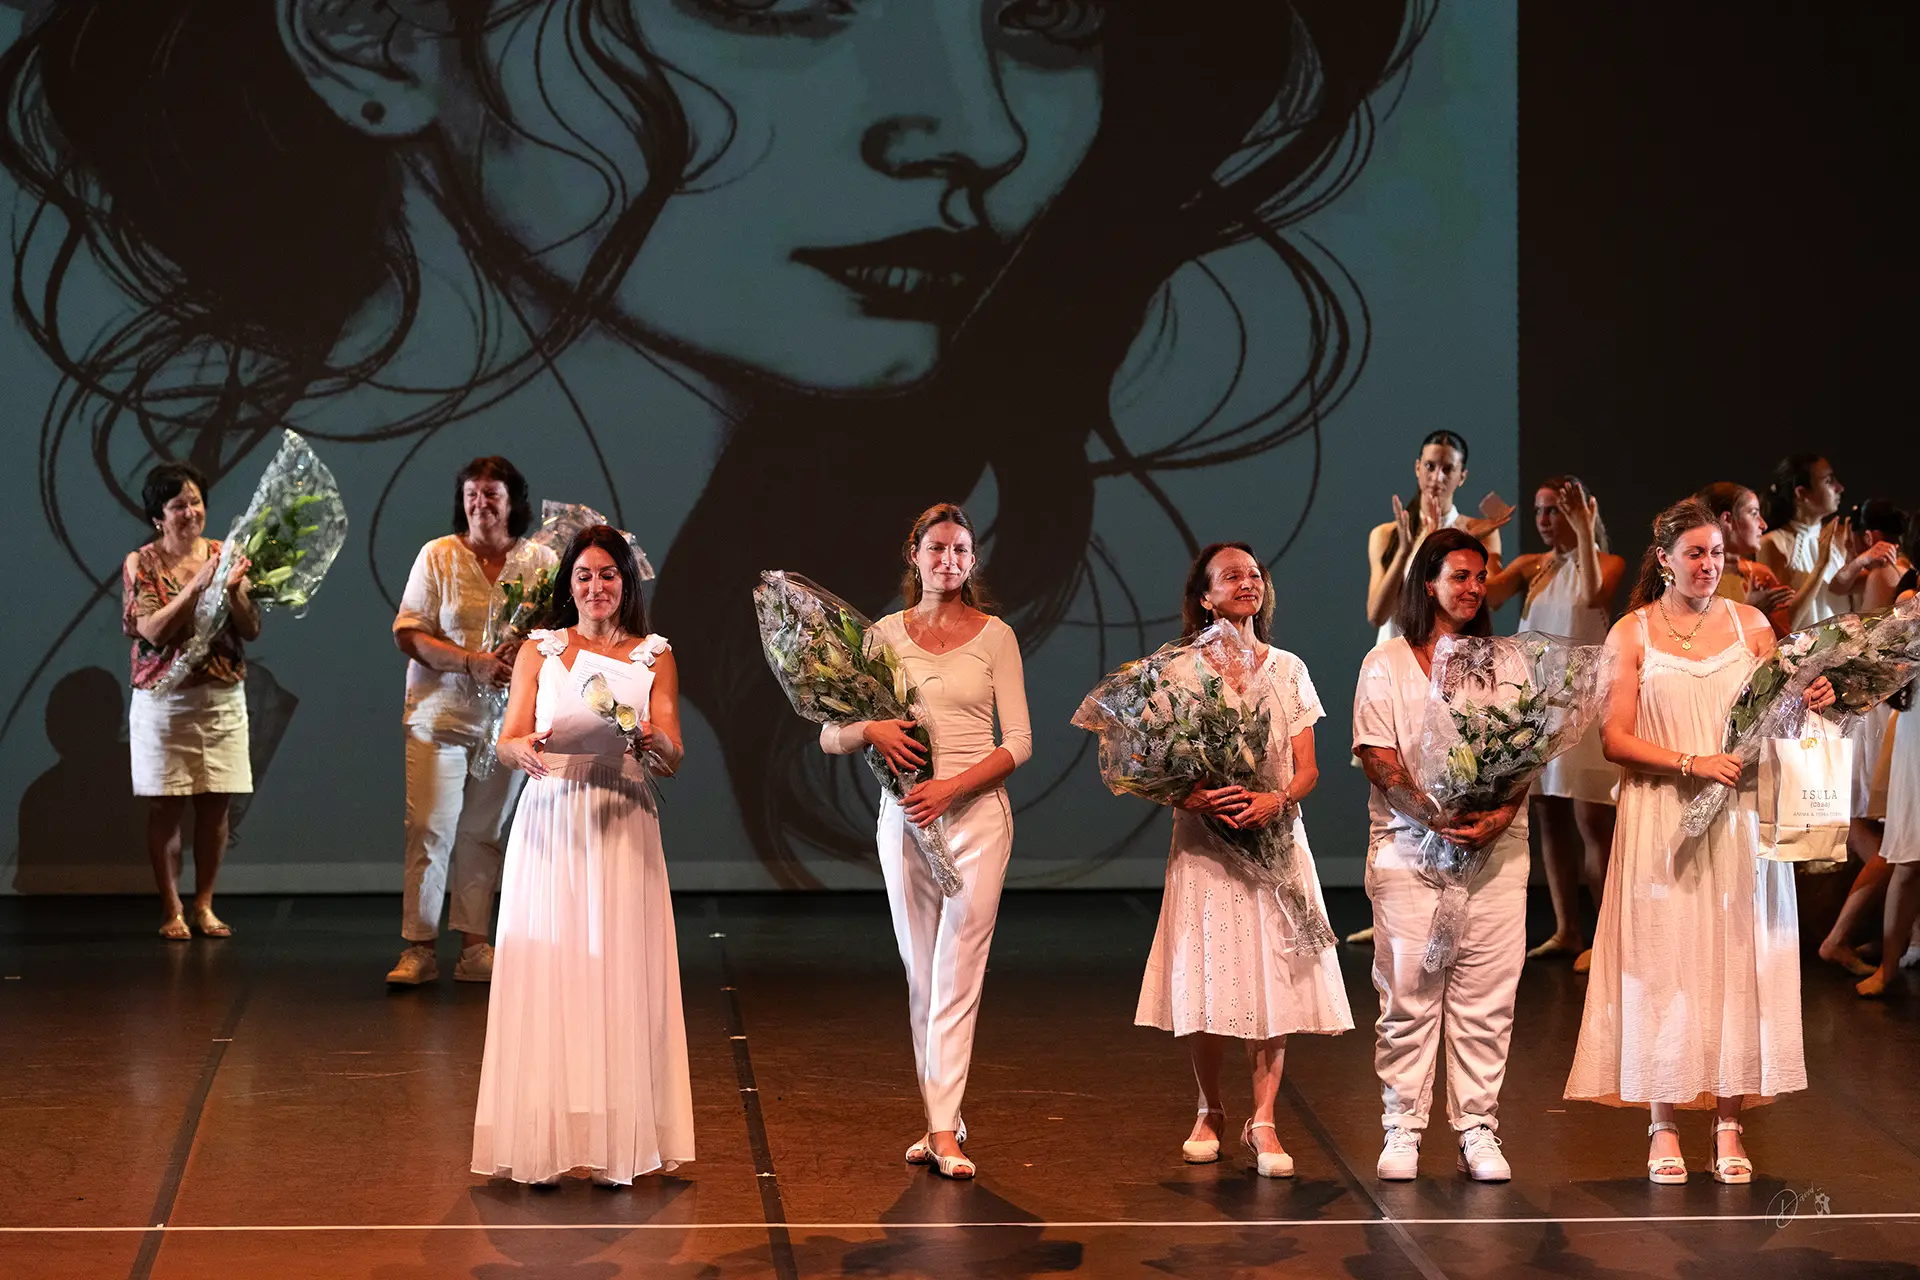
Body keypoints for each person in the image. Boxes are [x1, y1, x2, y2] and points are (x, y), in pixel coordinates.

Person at [3, 1, 1428, 896]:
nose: (977, 129)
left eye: (1042, 17)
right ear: (375, 38)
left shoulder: (697, 563)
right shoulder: (307, 596)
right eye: (775, 7)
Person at [1565, 499, 1835, 1184]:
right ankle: (1661, 1121)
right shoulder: (1631, 632)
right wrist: (1691, 763)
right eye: (1695, 553)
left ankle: (1727, 1121)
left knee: (1736, 961)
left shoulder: (1753, 626)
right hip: (1661, 817)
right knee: (1663, 961)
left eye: (1716, 553)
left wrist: (1815, 698)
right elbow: (1615, 738)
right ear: (1664, 559)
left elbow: (1780, 715)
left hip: (1739, 818)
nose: (1709, 565)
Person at [472, 525, 691, 1186]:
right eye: (585, 576)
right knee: (553, 969)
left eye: (608, 575)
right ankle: (544, 1141)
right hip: (553, 813)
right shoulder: (540, 649)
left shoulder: (654, 654)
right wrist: (523, 749)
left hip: (622, 817)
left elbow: (673, 755)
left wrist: (649, 737)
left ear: (627, 582)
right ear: (569, 585)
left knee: (617, 971)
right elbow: (508, 739)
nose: (597, 587)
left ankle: (615, 1145)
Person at [819, 504, 1031, 1180]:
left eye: (960, 550)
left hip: (978, 818)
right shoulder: (882, 636)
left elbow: (1019, 742)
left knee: (957, 970)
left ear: (972, 560)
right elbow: (829, 733)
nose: (949, 561)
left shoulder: (996, 636)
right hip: (906, 818)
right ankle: (943, 1116)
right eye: (937, 548)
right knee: (922, 974)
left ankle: (943, 1130)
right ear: (914, 555)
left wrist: (953, 788)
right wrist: (871, 731)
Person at [1135, 544, 1352, 1178]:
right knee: (1208, 976)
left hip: (1274, 842)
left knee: (1271, 978)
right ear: (1204, 597)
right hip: (1205, 846)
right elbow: (1145, 762)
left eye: (1254, 574)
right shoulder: (1176, 671)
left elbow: (1307, 769)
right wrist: (1189, 795)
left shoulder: (1288, 669)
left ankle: (1264, 1120)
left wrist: (1275, 799)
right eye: (1231, 576)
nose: (1247, 582)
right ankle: (1209, 1109)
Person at [1353, 529, 1529, 1183]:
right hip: (1410, 848)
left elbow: (1526, 752)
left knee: (1488, 997)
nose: (1475, 588)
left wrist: (1500, 814)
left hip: (1495, 851)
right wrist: (1435, 815)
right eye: (1460, 576)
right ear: (1428, 583)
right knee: (1408, 992)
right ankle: (1402, 1125)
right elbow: (1378, 757)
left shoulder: (1506, 662)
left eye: (1481, 577)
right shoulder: (1386, 662)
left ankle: (1477, 1127)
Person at [387, 457, 557, 987]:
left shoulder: (541, 561)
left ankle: (475, 947)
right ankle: (418, 948)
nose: (480, 504)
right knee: (429, 827)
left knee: (483, 833)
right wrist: (470, 662)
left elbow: (559, 637)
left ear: (513, 501)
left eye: (491, 494)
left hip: (507, 723)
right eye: (472, 495)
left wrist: (524, 653)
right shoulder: (438, 555)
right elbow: (408, 633)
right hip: (439, 716)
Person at [1487, 477, 1626, 970]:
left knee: (1593, 820)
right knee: (1548, 815)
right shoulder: (1533, 565)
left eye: (1556, 510)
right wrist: (1486, 540)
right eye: (1540, 511)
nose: (1545, 520)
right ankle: (1568, 930)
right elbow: (1488, 594)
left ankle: (1609, 937)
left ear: (1582, 512)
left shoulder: (1608, 562)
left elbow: (1592, 595)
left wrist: (1585, 531)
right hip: (1540, 706)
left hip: (1585, 703)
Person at [122, 462, 260, 940]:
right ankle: (171, 909)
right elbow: (152, 631)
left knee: (216, 804)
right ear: (158, 516)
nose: (190, 512)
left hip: (220, 696)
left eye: (195, 501)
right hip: (164, 701)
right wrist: (196, 586)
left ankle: (204, 905)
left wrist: (233, 589)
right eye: (177, 505)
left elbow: (251, 629)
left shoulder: (226, 554)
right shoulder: (142, 562)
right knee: (166, 807)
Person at [1813, 501, 1911, 975]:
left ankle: (1850, 936)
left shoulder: (1885, 573)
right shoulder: (1890, 568)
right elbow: (1836, 585)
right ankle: (1900, 932)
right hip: (1879, 704)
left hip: (1873, 705)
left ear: (1869, 534)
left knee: (1874, 823)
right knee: (1871, 822)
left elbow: (1868, 648)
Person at [1364, 430, 1513, 643]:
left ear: (1462, 476)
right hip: (1396, 652)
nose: (1437, 477)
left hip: (1451, 652)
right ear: (1417, 467)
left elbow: (1493, 600)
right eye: (1430, 466)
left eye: (1448, 469)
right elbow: (1377, 616)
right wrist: (1404, 553)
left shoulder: (1479, 531)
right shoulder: (1388, 534)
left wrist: (1466, 543)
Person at [1756, 454, 1893, 632]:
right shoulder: (1773, 544)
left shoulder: (1839, 537)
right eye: (1828, 481)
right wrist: (1821, 565)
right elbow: (1783, 624)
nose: (1840, 488)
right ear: (1801, 493)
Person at [1696, 482, 1795, 636]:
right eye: (1754, 514)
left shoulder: (1760, 575)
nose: (1763, 525)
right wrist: (1749, 612)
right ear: (1728, 519)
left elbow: (1785, 639)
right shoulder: (1696, 579)